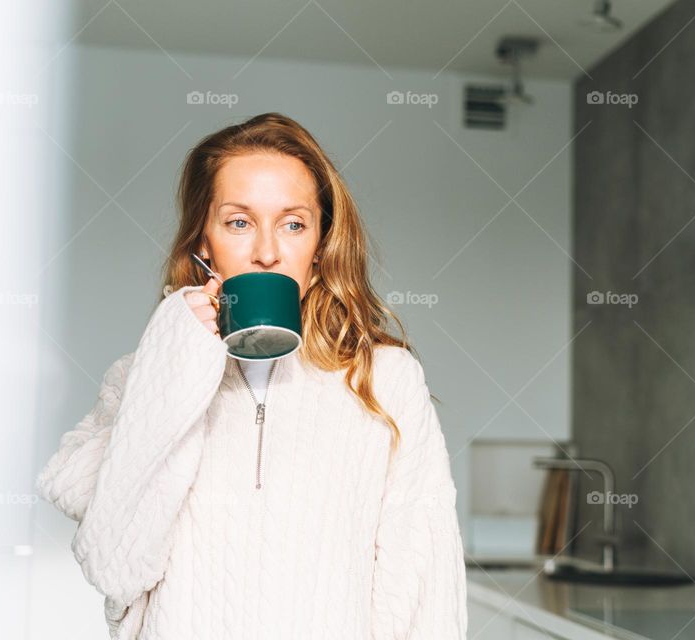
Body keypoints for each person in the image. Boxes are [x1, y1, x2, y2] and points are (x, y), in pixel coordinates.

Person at [35, 112, 468, 639]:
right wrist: (173, 366)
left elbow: (423, 583)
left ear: (319, 251)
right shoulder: (138, 379)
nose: (267, 252)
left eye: (293, 223)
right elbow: (115, 569)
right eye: (239, 222)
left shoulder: (385, 379)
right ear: (204, 243)